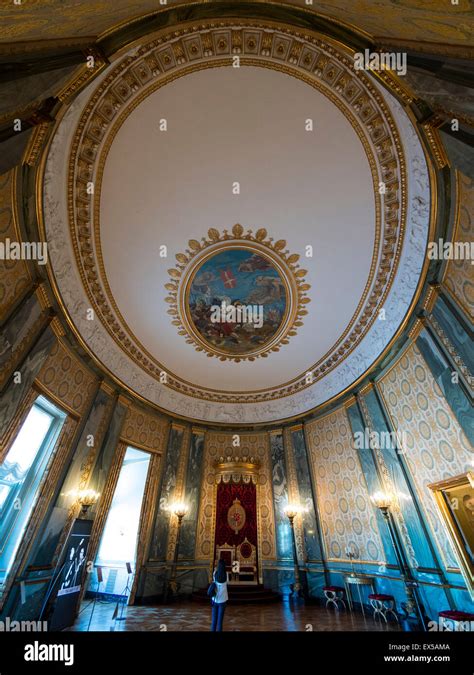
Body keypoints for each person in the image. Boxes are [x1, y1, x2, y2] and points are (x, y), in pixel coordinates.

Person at [211, 557, 228, 632]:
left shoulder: (215, 573)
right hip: (223, 600)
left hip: (215, 600)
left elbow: (213, 581)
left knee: (214, 621)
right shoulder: (226, 574)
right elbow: (228, 583)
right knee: (220, 622)